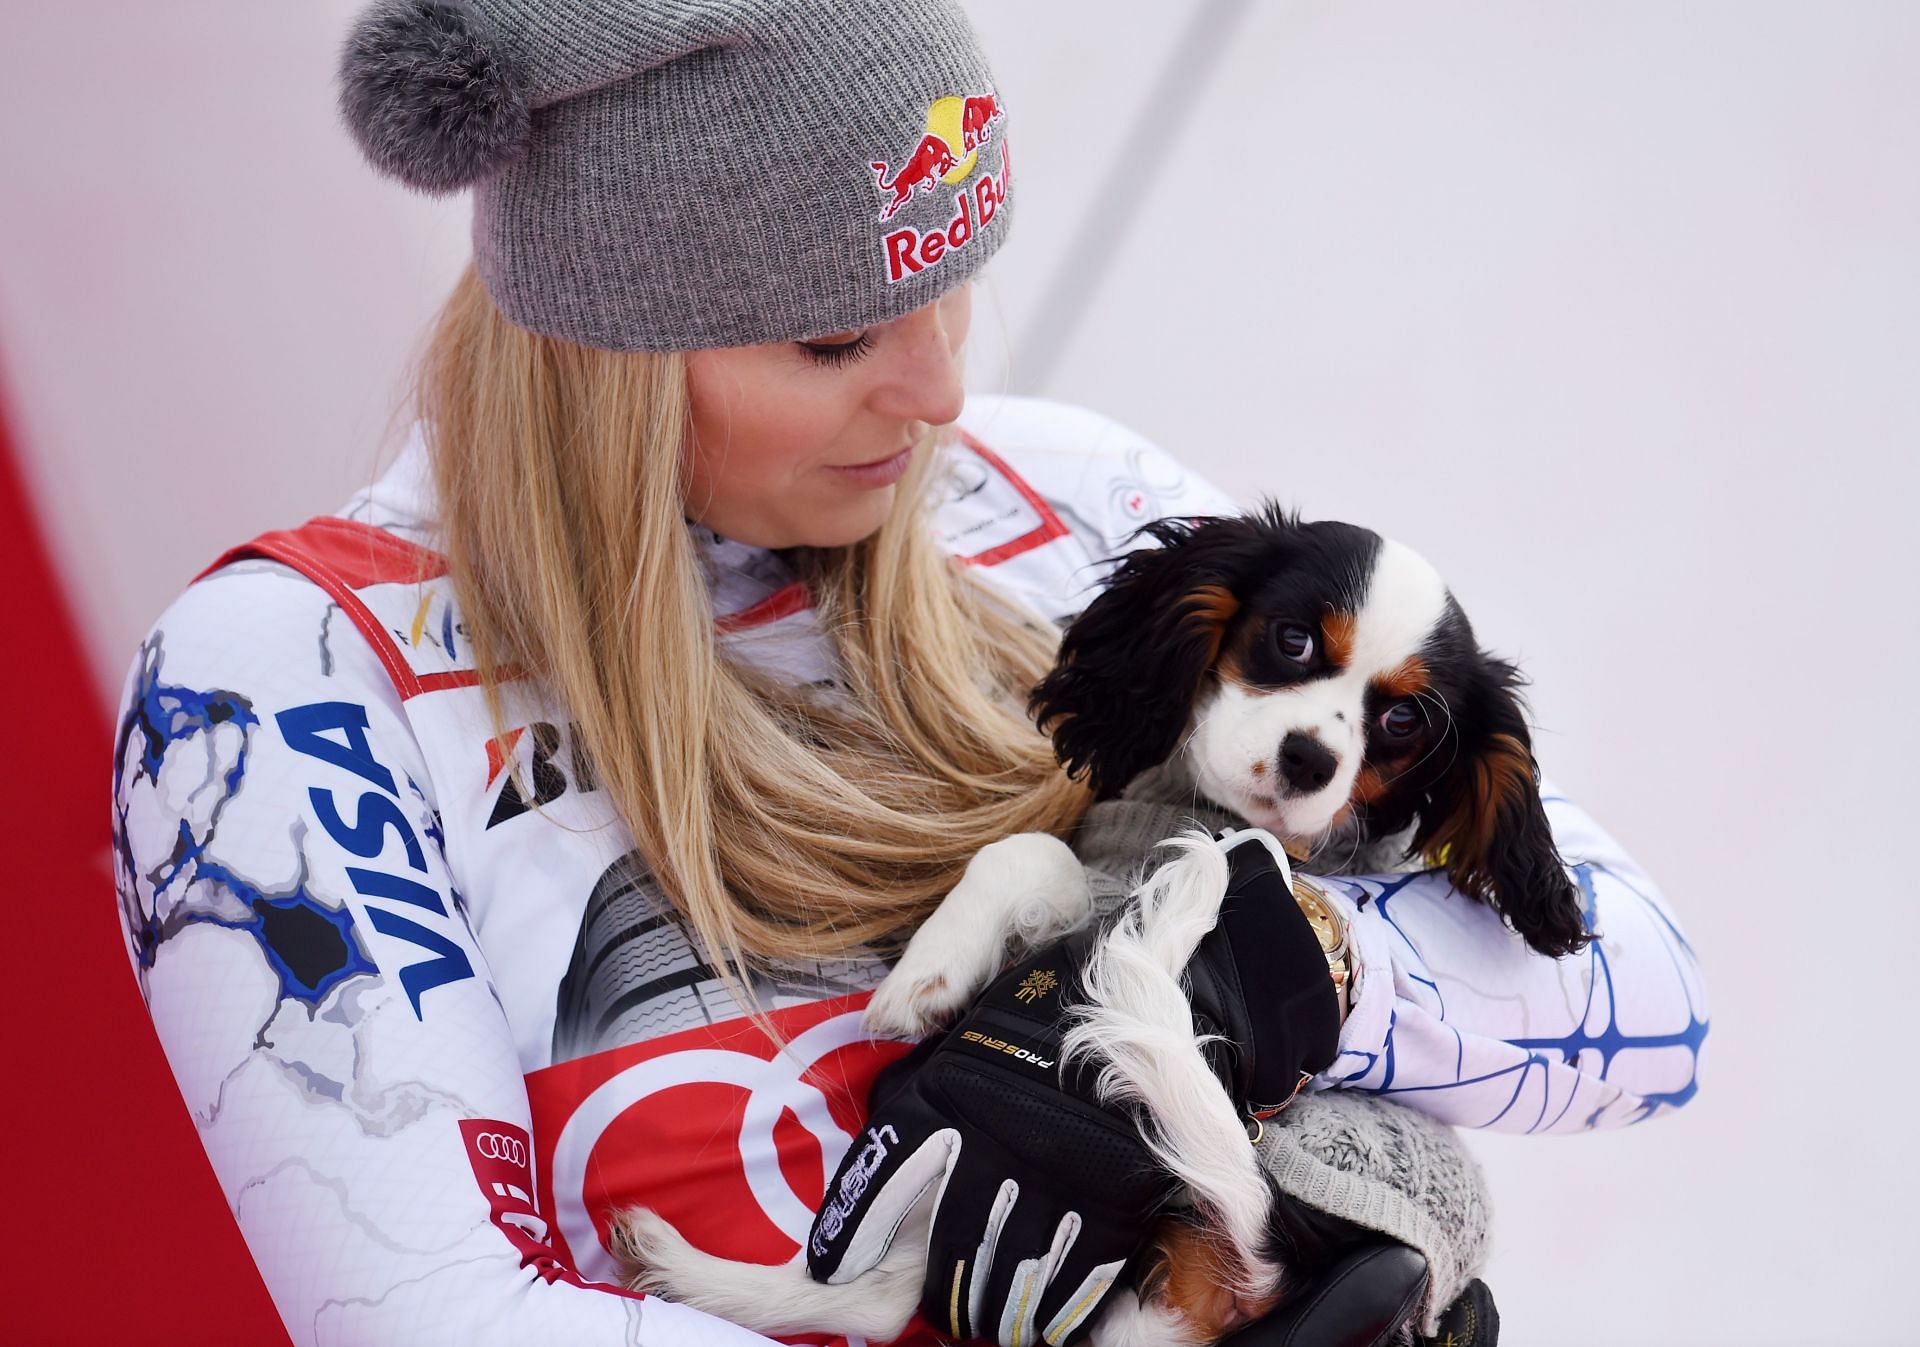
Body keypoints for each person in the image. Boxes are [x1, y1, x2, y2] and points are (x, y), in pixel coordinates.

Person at [108, 2, 1708, 1344]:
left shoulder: (1054, 492)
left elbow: (1648, 998)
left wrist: (1289, 970)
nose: (940, 389)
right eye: (832, 339)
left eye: (945, 279)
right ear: (599, 341)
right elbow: (434, 1316)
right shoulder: (296, 672)